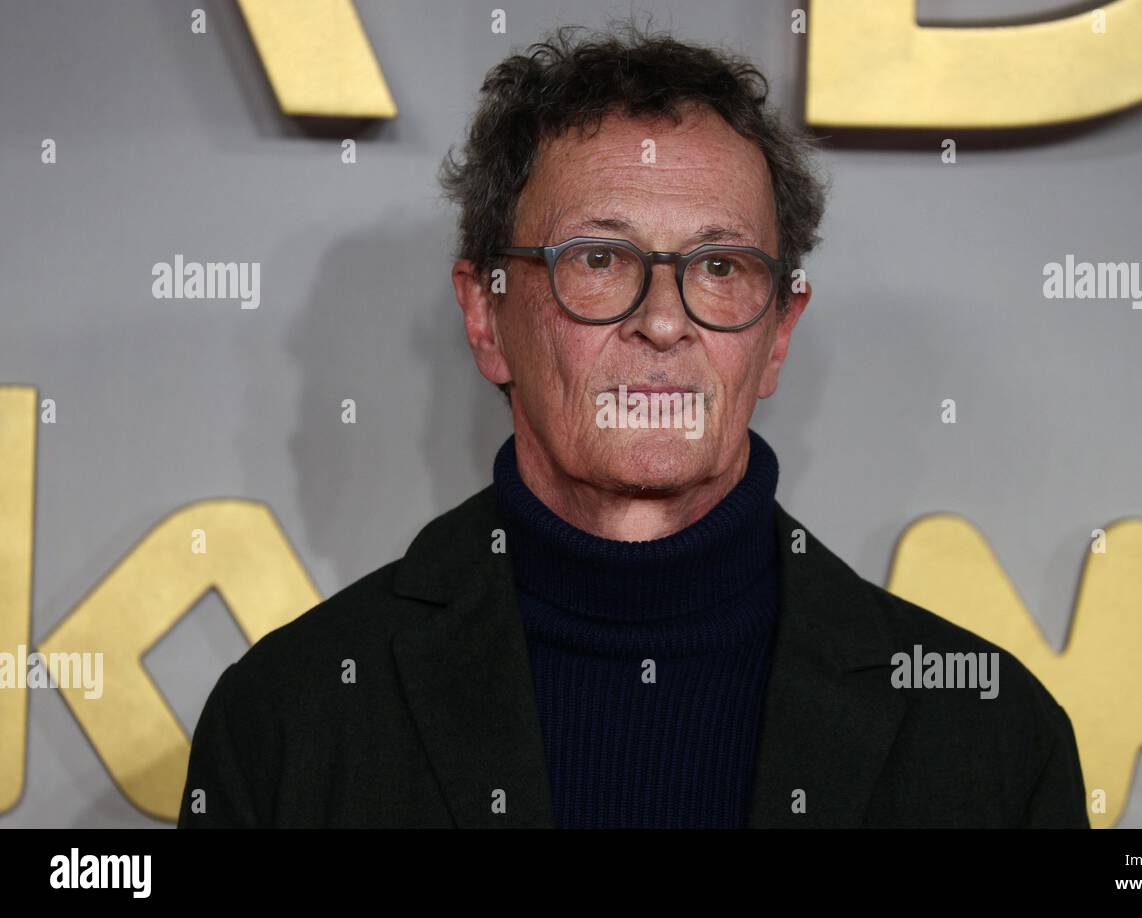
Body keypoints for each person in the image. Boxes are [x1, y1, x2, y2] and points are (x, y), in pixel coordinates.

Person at [177, 20, 1089, 829]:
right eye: (602, 258)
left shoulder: (990, 733)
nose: (664, 318)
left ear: (778, 337)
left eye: (721, 266)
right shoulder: (291, 718)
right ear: (486, 317)